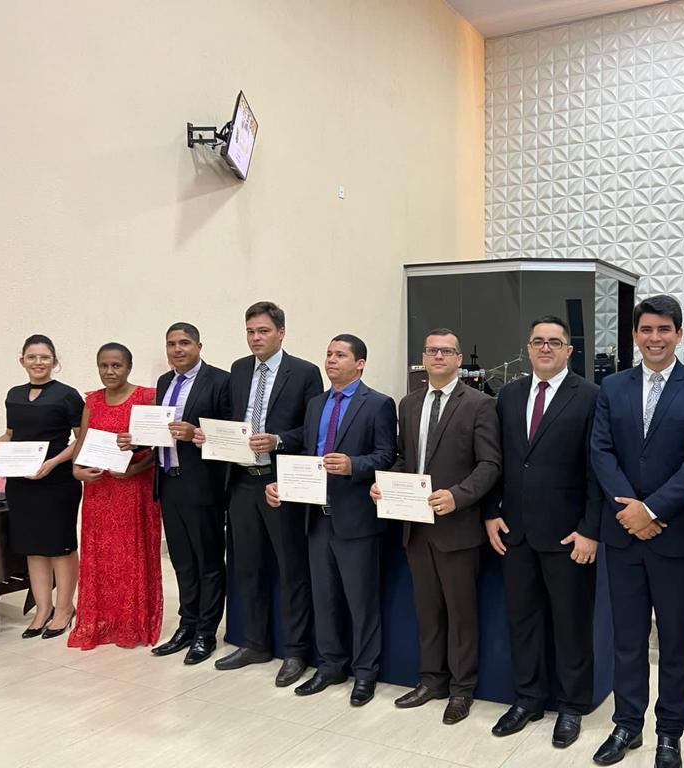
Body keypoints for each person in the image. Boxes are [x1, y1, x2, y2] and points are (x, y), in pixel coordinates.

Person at [590, 295, 684, 768]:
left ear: (678, 334)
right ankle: (627, 725)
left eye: (664, 329)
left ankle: (670, 732)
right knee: (627, 639)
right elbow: (601, 452)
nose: (655, 338)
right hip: (622, 533)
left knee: (674, 641)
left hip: (675, 537)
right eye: (646, 329)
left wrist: (650, 510)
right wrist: (631, 510)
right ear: (634, 335)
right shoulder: (612, 386)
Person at [371, 327, 501, 725]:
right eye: (431, 350)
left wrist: (458, 496)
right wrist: (385, 483)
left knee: (461, 614)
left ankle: (462, 689)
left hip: (457, 527)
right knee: (427, 610)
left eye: (446, 351)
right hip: (416, 526)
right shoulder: (409, 404)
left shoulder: (480, 404)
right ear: (423, 358)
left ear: (459, 359)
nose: (438, 356)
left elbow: (490, 464)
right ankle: (431, 680)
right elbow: (404, 459)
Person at [486, 315, 601, 748]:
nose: (546, 348)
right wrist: (490, 512)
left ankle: (572, 706)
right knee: (523, 620)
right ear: (528, 348)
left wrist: (590, 529)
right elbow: (498, 460)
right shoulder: (509, 395)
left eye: (554, 341)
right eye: (538, 341)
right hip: (515, 532)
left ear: (569, 350)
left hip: (568, 535)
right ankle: (528, 699)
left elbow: (597, 469)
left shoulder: (590, 396)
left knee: (571, 625)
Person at [265, 334, 396, 706]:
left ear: (360, 363)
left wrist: (354, 465)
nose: (331, 360)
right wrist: (284, 485)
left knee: (361, 602)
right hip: (317, 517)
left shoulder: (379, 404)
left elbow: (387, 455)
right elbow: (308, 455)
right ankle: (330, 665)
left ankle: (365, 673)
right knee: (324, 600)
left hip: (357, 520)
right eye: (328, 354)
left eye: (340, 355)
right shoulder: (315, 405)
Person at [205, 301, 323, 687]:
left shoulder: (304, 372)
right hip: (241, 481)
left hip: (279, 483)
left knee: (291, 569)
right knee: (248, 567)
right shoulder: (239, 369)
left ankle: (296, 651)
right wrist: (214, 437)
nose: (256, 338)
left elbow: (311, 430)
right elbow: (231, 420)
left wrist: (278, 440)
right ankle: (255, 643)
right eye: (250, 332)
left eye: (263, 331)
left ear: (281, 333)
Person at [118, 323, 230, 664]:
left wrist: (196, 433)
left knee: (208, 561)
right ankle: (187, 624)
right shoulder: (166, 382)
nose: (177, 349)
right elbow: (158, 431)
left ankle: (206, 632)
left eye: (184, 343)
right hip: (168, 482)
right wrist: (135, 440)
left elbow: (230, 433)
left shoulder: (220, 381)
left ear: (199, 346)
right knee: (182, 561)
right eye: (171, 344)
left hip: (202, 484)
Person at [69, 343, 162, 649]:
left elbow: (161, 446)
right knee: (102, 556)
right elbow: (82, 443)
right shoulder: (93, 400)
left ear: (128, 367)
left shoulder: (146, 397)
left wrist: (136, 469)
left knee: (131, 555)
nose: (110, 371)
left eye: (116, 365)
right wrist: (77, 471)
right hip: (99, 490)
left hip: (134, 489)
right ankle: (102, 621)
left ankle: (132, 622)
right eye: (104, 365)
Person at [0, 335, 83, 639]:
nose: (38, 362)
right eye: (32, 357)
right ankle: (43, 609)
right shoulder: (14, 394)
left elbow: (81, 439)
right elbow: (11, 434)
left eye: (44, 357)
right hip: (21, 482)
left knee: (60, 545)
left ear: (54, 361)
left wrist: (53, 462)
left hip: (57, 481)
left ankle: (64, 609)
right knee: (33, 545)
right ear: (22, 360)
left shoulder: (67, 395)